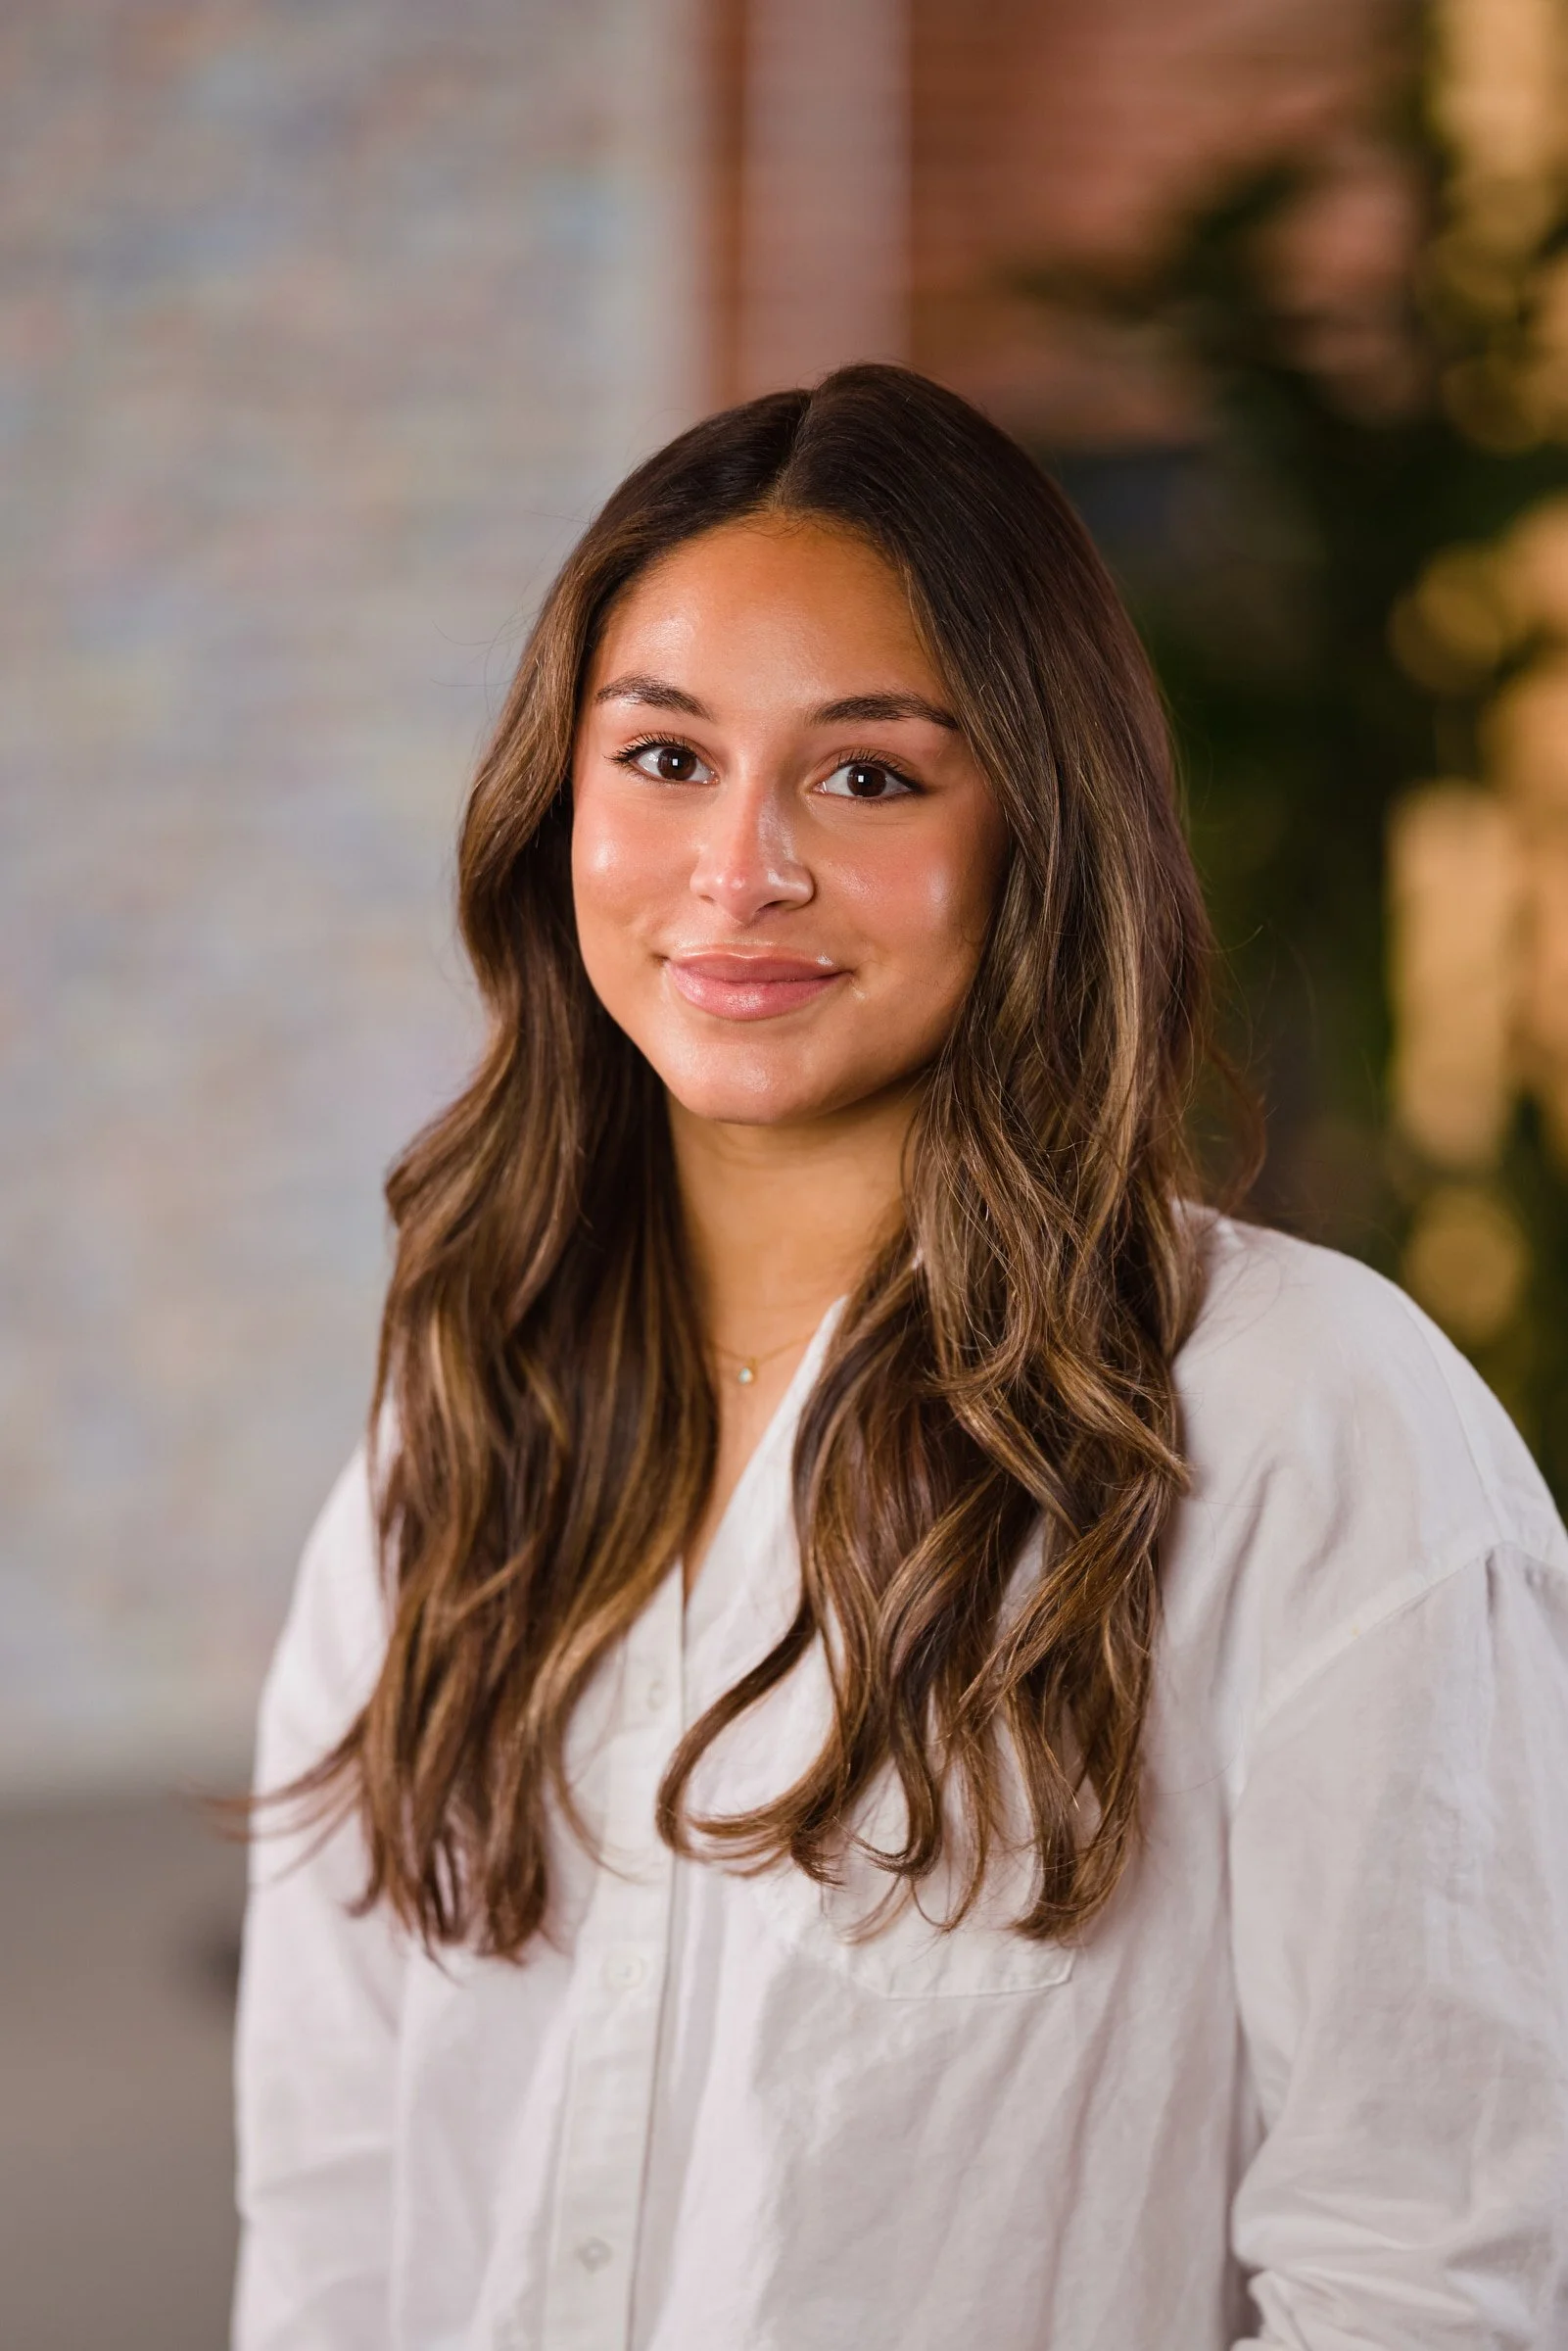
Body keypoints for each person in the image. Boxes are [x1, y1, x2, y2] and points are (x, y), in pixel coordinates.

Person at [232, 364, 1568, 2351]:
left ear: (1037, 821)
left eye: (867, 776)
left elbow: (1421, 2274)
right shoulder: (463, 1429)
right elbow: (339, 2208)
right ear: (556, 803)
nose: (739, 867)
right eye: (664, 758)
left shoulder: (1302, 1425)